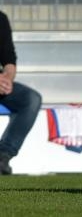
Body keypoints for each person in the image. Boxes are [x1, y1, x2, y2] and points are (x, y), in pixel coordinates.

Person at [0, 11, 42, 175]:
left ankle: (3, 155)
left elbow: (9, 58)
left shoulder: (1, 19)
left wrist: (7, 80)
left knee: (31, 99)